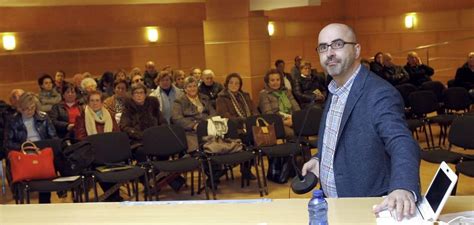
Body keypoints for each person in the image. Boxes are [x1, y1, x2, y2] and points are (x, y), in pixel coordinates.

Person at [301, 23, 420, 221]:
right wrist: (319, 160)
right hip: (335, 205)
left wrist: (402, 186)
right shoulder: (335, 88)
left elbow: (402, 141)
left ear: (356, 50)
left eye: (337, 44)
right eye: (323, 47)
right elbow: (340, 137)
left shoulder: (379, 93)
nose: (329, 53)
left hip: (365, 207)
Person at [5, 92, 58, 203]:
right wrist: (27, 148)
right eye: (26, 109)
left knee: (55, 153)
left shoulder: (43, 117)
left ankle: (46, 201)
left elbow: (53, 138)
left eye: (32, 108)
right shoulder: (13, 121)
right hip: (23, 151)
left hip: (41, 150)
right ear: (20, 108)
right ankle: (21, 197)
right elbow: (8, 143)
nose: (30, 111)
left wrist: (41, 149)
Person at [172, 76, 216, 152]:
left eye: (194, 86)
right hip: (191, 132)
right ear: (185, 89)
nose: (193, 88)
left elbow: (213, 113)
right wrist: (193, 125)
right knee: (200, 149)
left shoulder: (205, 98)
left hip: (208, 128)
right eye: (189, 86)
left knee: (217, 147)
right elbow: (177, 119)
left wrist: (208, 123)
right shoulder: (179, 101)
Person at [259, 69, 300, 137]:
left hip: (292, 119)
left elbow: (296, 107)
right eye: (272, 80)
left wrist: (295, 119)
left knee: (306, 127)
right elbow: (268, 115)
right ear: (267, 82)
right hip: (277, 123)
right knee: (293, 133)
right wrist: (284, 122)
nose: (276, 82)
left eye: (278, 80)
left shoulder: (286, 91)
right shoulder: (264, 94)